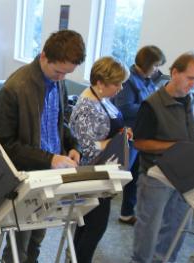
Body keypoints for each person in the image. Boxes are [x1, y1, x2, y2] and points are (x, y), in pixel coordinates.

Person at [0, 30, 84, 263]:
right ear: (44, 56)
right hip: (26, 175)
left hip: (49, 173)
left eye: (67, 73)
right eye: (58, 71)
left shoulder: (57, 82)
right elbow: (4, 146)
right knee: (19, 241)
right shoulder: (14, 88)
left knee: (38, 235)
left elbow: (58, 122)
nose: (62, 78)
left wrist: (72, 144)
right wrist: (50, 159)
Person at [131, 51, 194, 263]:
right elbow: (139, 143)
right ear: (175, 72)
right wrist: (175, 146)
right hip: (156, 176)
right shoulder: (152, 104)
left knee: (178, 227)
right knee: (149, 228)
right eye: (190, 78)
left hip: (185, 175)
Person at [69, 57, 130, 263]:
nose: (121, 88)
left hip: (104, 172)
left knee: (88, 227)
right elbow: (86, 147)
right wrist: (113, 142)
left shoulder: (102, 99)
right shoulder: (87, 106)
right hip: (91, 177)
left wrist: (121, 135)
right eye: (117, 84)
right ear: (100, 83)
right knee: (92, 229)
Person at [113, 45, 166, 225]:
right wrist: (150, 109)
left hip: (140, 134)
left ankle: (126, 213)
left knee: (134, 177)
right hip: (127, 134)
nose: (157, 69)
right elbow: (125, 107)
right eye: (156, 65)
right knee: (122, 174)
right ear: (147, 63)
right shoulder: (129, 80)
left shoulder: (147, 80)